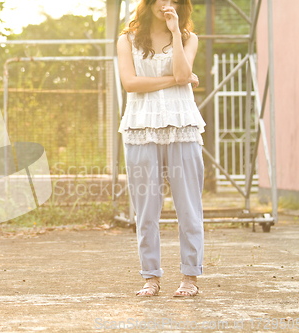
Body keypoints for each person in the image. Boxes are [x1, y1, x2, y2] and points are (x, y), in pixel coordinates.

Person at [117, 0, 206, 297]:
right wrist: (179, 80)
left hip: (183, 127)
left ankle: (190, 278)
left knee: (189, 208)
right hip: (140, 128)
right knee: (146, 210)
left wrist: (175, 34)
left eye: (174, 0)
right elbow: (130, 83)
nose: (166, 5)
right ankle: (150, 277)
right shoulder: (126, 39)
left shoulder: (189, 38)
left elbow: (184, 73)